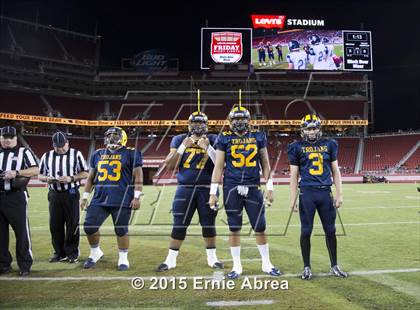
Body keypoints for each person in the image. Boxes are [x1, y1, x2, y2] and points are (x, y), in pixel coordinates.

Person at [209, 106, 281, 279]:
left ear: (248, 121)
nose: (239, 123)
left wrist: (270, 187)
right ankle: (237, 266)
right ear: (230, 122)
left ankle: (266, 263)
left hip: (253, 187)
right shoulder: (224, 138)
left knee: (260, 226)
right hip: (232, 187)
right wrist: (213, 192)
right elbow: (218, 166)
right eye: (236, 119)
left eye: (242, 119)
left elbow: (265, 163)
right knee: (234, 228)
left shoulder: (257, 136)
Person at [157, 111, 223, 272]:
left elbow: (220, 164)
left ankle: (212, 258)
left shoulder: (214, 139)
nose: (198, 127)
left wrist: (208, 148)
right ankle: (170, 260)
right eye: (195, 123)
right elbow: (170, 165)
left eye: (201, 123)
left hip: (208, 189)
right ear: (189, 125)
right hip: (184, 188)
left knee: (208, 224)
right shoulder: (179, 139)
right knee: (179, 224)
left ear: (207, 126)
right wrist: (182, 148)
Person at [287, 114, 347, 280]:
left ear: (319, 129)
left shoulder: (330, 144)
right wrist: (292, 199)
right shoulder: (296, 146)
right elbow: (293, 175)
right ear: (302, 130)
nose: (311, 131)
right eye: (308, 128)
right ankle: (306, 267)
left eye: (314, 128)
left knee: (331, 230)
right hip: (307, 193)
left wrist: (339, 193)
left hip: (325, 193)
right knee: (306, 231)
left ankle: (334, 265)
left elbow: (335, 171)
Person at [80, 127, 143, 271]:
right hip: (99, 197)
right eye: (109, 136)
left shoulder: (131, 153)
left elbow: (138, 176)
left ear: (123, 138)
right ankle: (95, 252)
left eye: (115, 136)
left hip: (122, 198)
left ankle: (123, 258)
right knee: (89, 226)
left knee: (121, 229)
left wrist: (137, 196)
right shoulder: (97, 154)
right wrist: (84, 196)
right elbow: (90, 178)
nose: (112, 139)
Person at [38, 131, 88, 263]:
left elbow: (85, 173)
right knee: (55, 225)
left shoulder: (76, 154)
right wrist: (48, 179)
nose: (59, 149)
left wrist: (71, 178)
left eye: (62, 146)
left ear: (67, 142)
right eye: (56, 146)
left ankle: (72, 253)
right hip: (54, 194)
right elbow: (40, 175)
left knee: (72, 224)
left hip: (70, 193)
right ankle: (59, 253)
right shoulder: (46, 155)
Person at [0, 126, 38, 276]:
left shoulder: (23, 152)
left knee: (21, 232)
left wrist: (16, 172)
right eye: (4, 137)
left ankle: (25, 265)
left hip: (15, 196)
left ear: (16, 138)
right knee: (0, 234)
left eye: (10, 137)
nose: (7, 140)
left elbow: (35, 170)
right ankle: (3, 264)